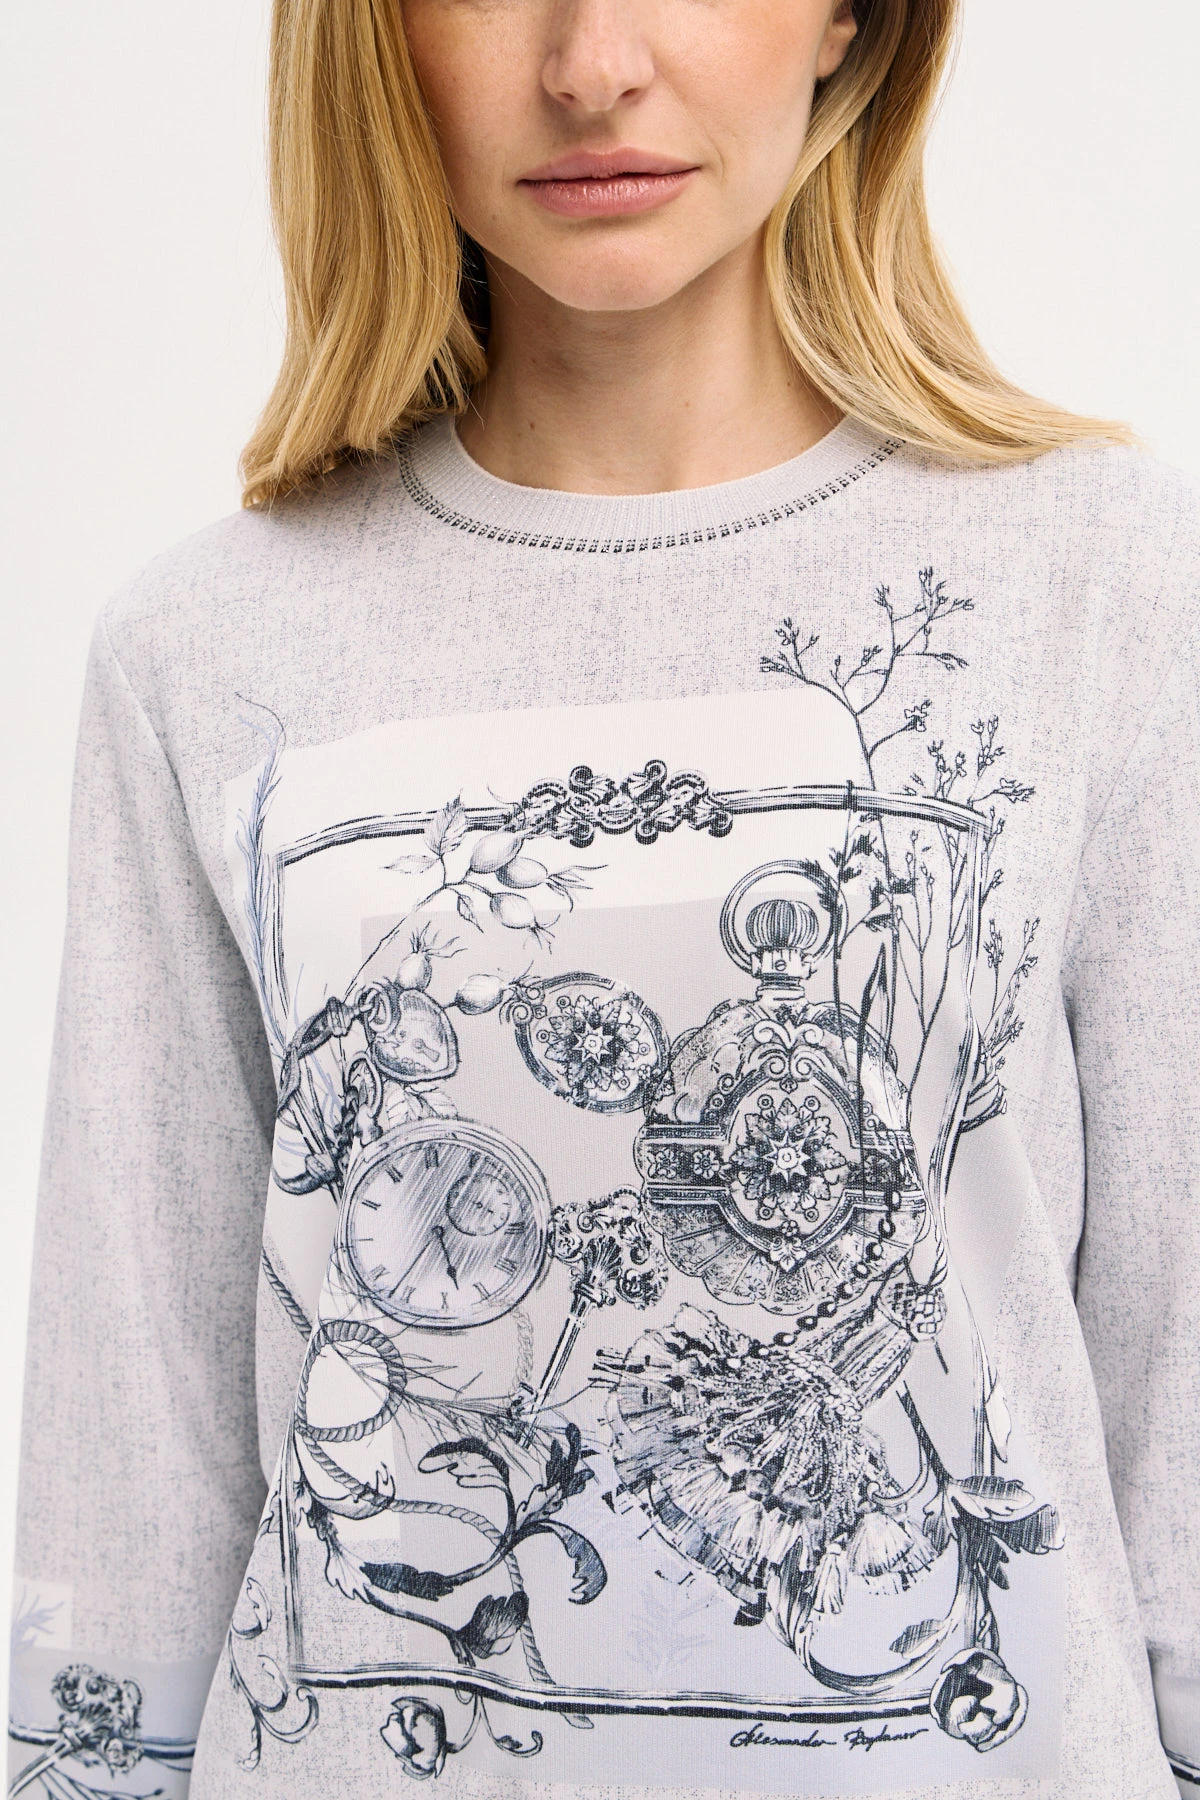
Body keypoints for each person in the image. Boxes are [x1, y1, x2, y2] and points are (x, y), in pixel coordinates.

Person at [6, 0, 1198, 1796]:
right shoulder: (207, 651)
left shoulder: (1109, 583)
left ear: (850, 18)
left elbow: (1185, 1375)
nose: (589, 66)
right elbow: (136, 1431)